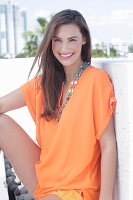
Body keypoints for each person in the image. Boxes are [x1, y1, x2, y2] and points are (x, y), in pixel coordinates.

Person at [0, 9, 117, 200]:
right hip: (46, 178)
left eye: (72, 39)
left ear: (84, 39)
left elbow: (108, 144)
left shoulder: (97, 80)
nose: (64, 48)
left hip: (78, 189)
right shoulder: (45, 82)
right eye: (57, 40)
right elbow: (2, 104)